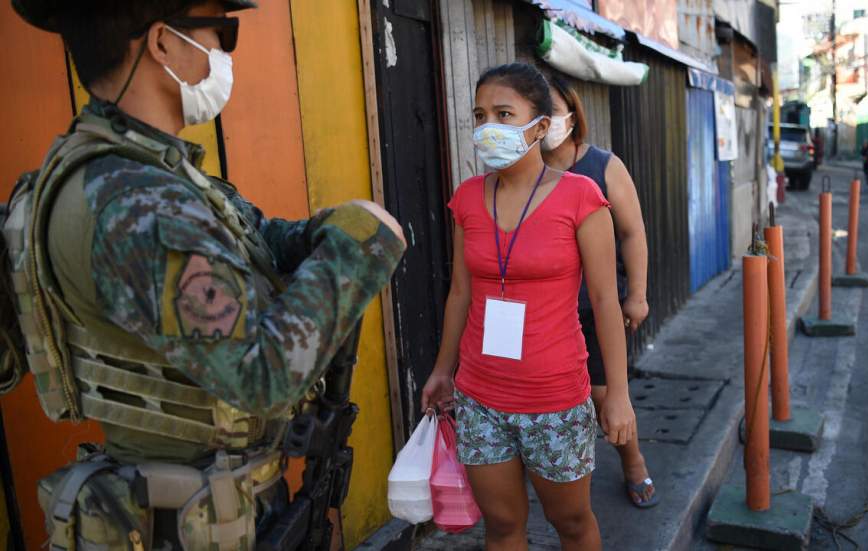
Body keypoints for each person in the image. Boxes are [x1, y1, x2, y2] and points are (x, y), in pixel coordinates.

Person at [4, 1, 406, 549]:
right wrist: (362, 250)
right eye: (223, 31)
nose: (224, 52)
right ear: (163, 43)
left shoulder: (127, 173)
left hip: (192, 504)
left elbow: (251, 239)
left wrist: (322, 232)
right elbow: (263, 375)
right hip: (189, 520)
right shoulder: (139, 206)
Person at [421, 63, 636, 551]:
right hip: (480, 398)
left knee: (573, 523)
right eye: (480, 115)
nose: (488, 127)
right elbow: (459, 292)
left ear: (540, 127)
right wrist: (442, 370)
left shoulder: (582, 197)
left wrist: (618, 394)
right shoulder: (468, 199)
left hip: (555, 399)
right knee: (500, 526)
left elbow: (605, 301)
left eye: (503, 113)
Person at [539, 74, 658, 508]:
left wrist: (638, 294)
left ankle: (633, 461)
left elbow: (633, 232)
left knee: (604, 394)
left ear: (572, 113)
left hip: (597, 308)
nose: (544, 120)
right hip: (544, 313)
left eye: (551, 110)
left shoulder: (604, 165)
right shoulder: (523, 172)